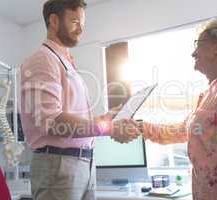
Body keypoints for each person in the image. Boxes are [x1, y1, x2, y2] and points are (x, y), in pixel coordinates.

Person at [19, 0, 140, 199]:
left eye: (82, 22)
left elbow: (73, 118)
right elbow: (52, 122)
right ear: (54, 21)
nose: (81, 28)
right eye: (75, 21)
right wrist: (107, 128)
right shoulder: (43, 59)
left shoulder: (63, 62)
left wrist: (106, 118)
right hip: (58, 165)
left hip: (83, 164)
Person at [141, 18, 217, 200]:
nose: (193, 53)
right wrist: (140, 128)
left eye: (198, 44)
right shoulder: (210, 92)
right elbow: (181, 131)